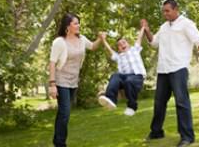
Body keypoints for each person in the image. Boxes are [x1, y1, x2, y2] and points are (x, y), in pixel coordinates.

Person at [141, 0, 199, 147]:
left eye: (167, 11)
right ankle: (156, 132)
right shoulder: (163, 27)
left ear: (176, 10)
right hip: (163, 70)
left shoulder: (186, 24)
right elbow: (154, 43)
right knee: (159, 103)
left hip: (178, 69)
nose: (165, 14)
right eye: (163, 11)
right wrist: (147, 30)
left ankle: (187, 137)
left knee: (182, 103)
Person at [48, 13, 105, 147]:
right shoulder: (59, 42)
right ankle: (60, 143)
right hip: (61, 80)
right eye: (75, 23)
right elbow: (52, 63)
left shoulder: (81, 39)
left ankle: (57, 140)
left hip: (74, 81)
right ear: (68, 26)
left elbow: (92, 46)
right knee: (65, 112)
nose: (78, 25)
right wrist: (52, 84)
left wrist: (100, 39)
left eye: (78, 23)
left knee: (64, 112)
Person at [98, 27, 146, 116]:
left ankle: (132, 106)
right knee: (115, 76)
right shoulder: (118, 56)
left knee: (129, 80)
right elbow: (109, 50)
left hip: (137, 77)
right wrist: (103, 40)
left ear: (128, 44)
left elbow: (139, 37)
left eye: (123, 42)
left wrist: (143, 27)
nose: (122, 45)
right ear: (119, 49)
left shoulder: (135, 50)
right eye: (119, 45)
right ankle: (111, 99)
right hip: (124, 77)